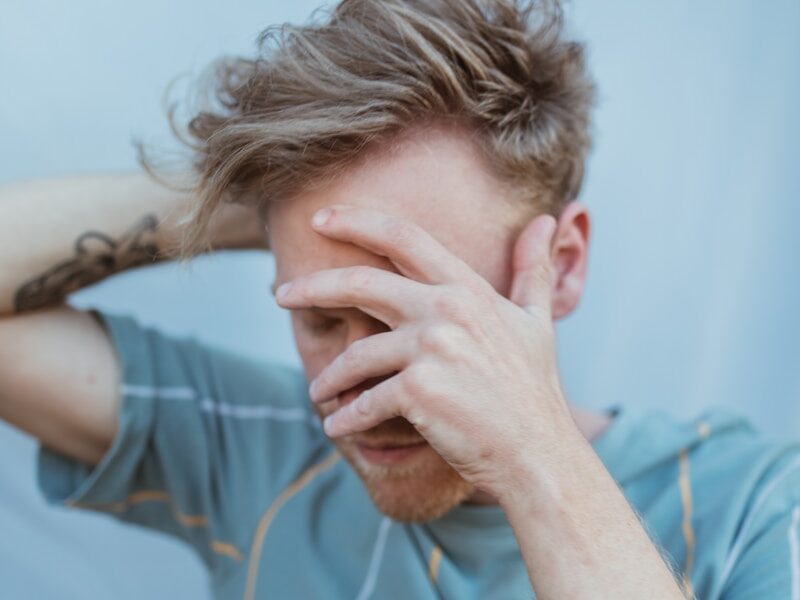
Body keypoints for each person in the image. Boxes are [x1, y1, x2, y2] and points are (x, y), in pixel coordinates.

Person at [1, 0, 798, 598]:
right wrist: (253, 203)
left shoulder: (754, 504)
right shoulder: (261, 454)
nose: (360, 393)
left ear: (562, 264)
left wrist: (532, 458)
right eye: (319, 318)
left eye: (412, 319)